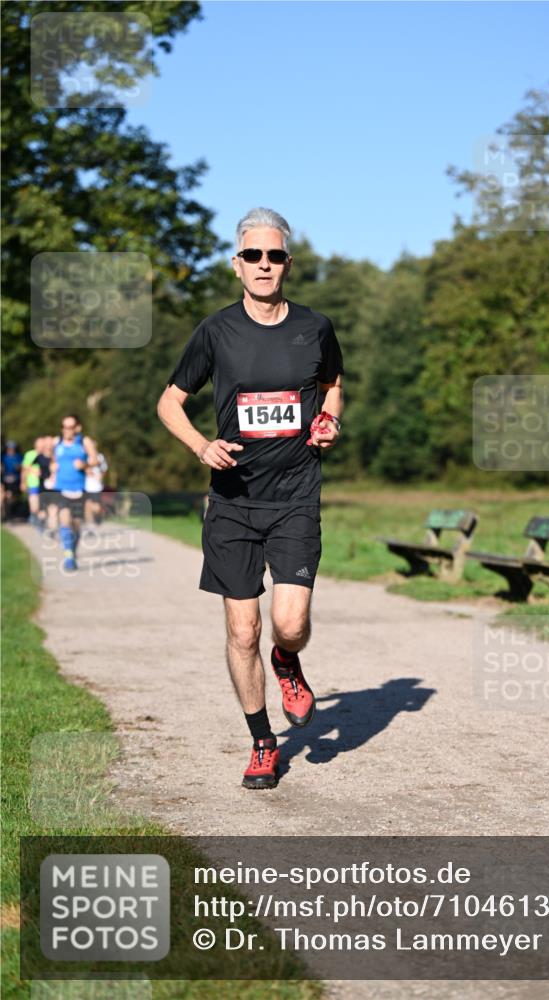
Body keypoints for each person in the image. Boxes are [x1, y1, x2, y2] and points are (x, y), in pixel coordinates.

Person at [158, 207, 344, 790]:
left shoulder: (315, 327)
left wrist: (330, 421)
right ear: (237, 264)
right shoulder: (216, 332)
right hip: (233, 502)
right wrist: (200, 445)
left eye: (275, 255)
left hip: (295, 497)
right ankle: (263, 742)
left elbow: (332, 385)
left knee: (289, 623)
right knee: (243, 632)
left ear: (288, 263)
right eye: (253, 255)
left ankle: (287, 661)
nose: (265, 264)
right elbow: (169, 402)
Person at [52, 415, 98, 571]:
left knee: (76, 525)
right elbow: (52, 459)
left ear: (77, 428)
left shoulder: (84, 442)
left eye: (70, 427)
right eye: (64, 427)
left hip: (79, 489)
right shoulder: (57, 442)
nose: (67, 430)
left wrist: (84, 465)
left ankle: (72, 550)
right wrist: (52, 468)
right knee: (65, 520)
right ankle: (68, 556)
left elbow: (95, 460)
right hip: (61, 488)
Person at [1, 440, 23, 519]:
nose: (11, 450)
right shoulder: (3, 457)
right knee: (4, 495)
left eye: (12, 448)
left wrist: (19, 467)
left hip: (15, 480)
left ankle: (9, 512)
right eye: (9, 448)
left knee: (11, 496)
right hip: (4, 480)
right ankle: (5, 513)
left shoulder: (18, 456)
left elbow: (22, 467)